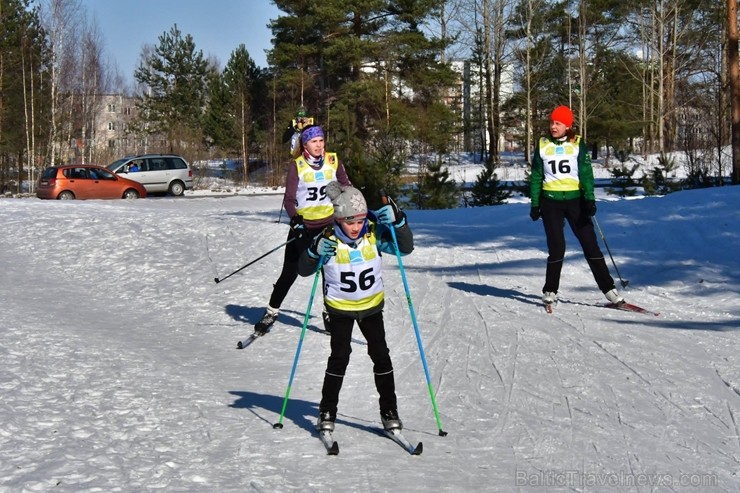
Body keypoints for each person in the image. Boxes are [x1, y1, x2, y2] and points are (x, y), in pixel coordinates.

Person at [297, 182, 413, 433]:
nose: (356, 227)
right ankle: (327, 410)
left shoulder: (373, 234)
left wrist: (399, 221)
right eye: (350, 222)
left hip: (371, 308)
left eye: (359, 221)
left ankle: (389, 410)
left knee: (381, 356)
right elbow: (303, 270)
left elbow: (405, 248)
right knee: (339, 358)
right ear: (339, 219)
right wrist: (313, 251)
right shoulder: (327, 238)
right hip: (340, 310)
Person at [254, 124, 352, 334]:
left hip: (328, 226)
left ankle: (329, 312)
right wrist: (295, 220)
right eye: (313, 141)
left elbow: (347, 187)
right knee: (290, 272)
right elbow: (289, 199)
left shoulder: (333, 161)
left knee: (330, 270)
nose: (319, 145)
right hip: (304, 228)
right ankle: (271, 311)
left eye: (321, 140)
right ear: (305, 144)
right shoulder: (297, 165)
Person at [529, 105, 625, 306]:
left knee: (590, 245)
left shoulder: (577, 144)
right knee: (557, 248)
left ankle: (609, 289)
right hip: (551, 202)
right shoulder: (543, 144)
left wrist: (589, 198)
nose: (553, 126)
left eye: (558, 123)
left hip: (575, 201)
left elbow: (586, 173)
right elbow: (537, 175)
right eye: (551, 122)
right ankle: (550, 290)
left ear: (567, 125)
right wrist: (535, 203)